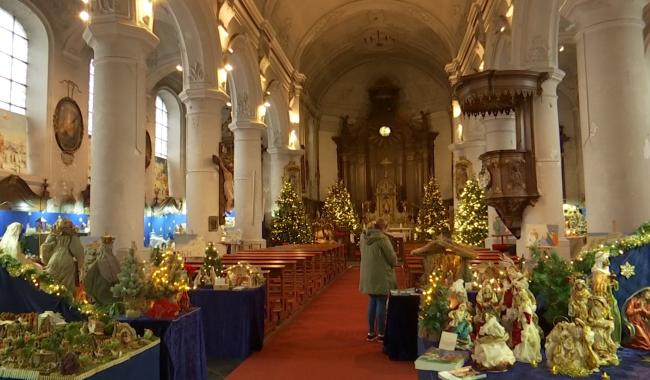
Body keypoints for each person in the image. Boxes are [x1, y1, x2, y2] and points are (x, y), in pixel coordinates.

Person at [359, 219, 397, 342]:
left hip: (368, 273)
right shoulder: (382, 239)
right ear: (383, 228)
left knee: (372, 301)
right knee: (381, 301)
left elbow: (362, 253)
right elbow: (391, 258)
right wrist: (393, 262)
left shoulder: (364, 237)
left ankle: (370, 332)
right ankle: (381, 333)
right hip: (381, 275)